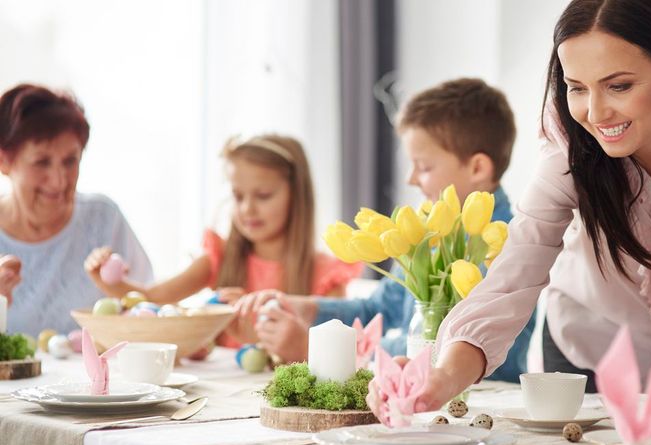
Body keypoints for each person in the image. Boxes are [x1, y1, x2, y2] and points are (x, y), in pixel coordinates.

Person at [367, 0, 651, 421]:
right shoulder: (569, 143)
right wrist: (442, 378)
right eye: (576, 87)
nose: (594, 113)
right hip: (593, 357)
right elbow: (515, 274)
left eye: (619, 86)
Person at [235, 78, 537, 383]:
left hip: (488, 403)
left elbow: (447, 348)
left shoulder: (507, 247)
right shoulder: (428, 233)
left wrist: (324, 348)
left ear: (477, 169)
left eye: (424, 166)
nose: (411, 178)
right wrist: (304, 308)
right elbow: (377, 308)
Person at [85, 133, 361, 347]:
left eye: (263, 195)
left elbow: (341, 352)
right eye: (238, 196)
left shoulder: (326, 275)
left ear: (297, 196)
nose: (247, 208)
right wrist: (108, 281)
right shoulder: (219, 257)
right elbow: (153, 300)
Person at [0, 84, 153, 336]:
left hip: (97, 376)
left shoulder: (104, 219)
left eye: (70, 161)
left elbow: (149, 310)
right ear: (4, 161)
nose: (59, 181)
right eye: (42, 162)